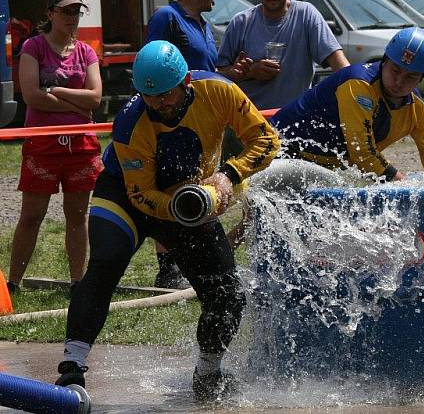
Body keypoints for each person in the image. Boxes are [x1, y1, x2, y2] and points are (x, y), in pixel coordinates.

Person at [54, 40, 280, 401]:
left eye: (166, 95)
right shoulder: (130, 123)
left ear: (186, 81)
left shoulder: (220, 91)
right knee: (105, 264)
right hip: (126, 196)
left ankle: (208, 372)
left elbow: (267, 139)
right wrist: (184, 205)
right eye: (149, 96)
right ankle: (71, 368)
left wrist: (229, 176)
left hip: (191, 195)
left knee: (228, 295)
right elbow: (142, 194)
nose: (160, 104)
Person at [7, 0, 102, 294]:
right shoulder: (33, 47)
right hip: (42, 146)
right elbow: (32, 96)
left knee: (77, 216)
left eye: (77, 11)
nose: (72, 17)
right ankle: (14, 283)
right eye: (66, 11)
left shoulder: (86, 51)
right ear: (50, 14)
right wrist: (76, 103)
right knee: (31, 216)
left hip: (80, 147)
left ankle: (78, 282)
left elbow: (96, 98)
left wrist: (57, 92)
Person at [270, 27, 424, 181]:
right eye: (395, 70)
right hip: (281, 153)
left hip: (326, 168)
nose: (399, 81)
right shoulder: (358, 84)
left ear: (421, 79)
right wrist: (402, 183)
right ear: (383, 63)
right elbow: (362, 154)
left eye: (410, 77)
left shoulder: (418, 109)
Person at [146, 0, 220, 289]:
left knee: (200, 184)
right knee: (169, 184)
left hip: (203, 118)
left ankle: (198, 260)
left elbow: (207, 69)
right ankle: (167, 268)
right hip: (171, 116)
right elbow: (152, 62)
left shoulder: (203, 24)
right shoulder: (168, 17)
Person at [216, 0, 349, 110]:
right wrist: (250, 72)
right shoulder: (241, 22)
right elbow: (218, 76)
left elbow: (338, 61)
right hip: (250, 118)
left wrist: (355, 86)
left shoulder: (306, 14)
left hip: (295, 116)